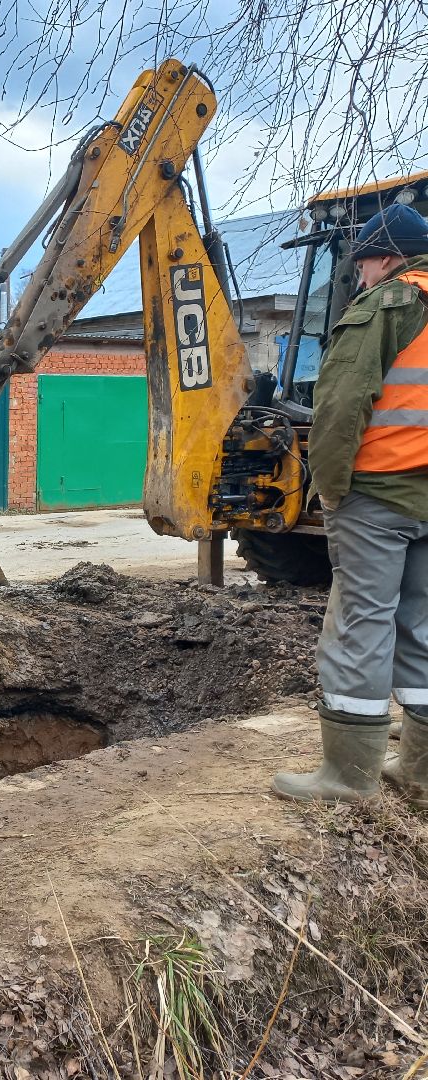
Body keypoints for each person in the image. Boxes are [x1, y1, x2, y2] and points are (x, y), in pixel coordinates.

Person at [273, 202, 428, 808]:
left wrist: (331, 487)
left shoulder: (387, 306)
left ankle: (348, 776)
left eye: (360, 264)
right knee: (421, 625)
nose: (358, 275)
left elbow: (341, 404)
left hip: (379, 491)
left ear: (383, 258)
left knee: (360, 624)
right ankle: (419, 771)